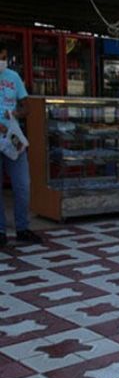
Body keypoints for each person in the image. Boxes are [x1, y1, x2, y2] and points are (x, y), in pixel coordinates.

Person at [0, 42, 41, 248]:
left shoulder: (13, 77)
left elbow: (27, 106)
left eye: (4, 57)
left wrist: (16, 113)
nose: (2, 61)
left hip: (13, 138)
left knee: (22, 185)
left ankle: (22, 228)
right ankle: (0, 232)